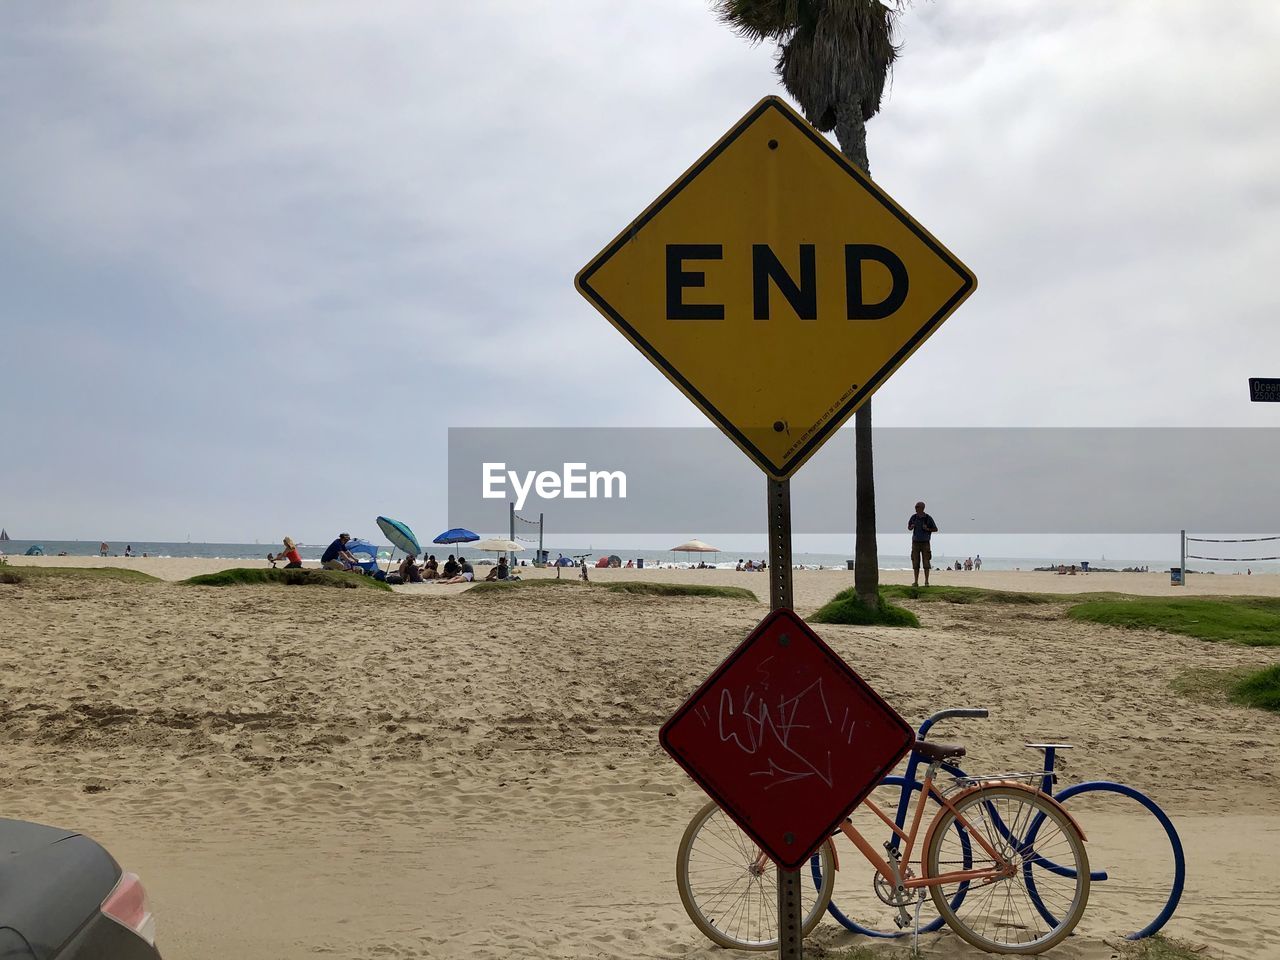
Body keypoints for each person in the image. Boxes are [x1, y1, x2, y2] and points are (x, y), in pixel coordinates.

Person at [907, 501, 938, 587]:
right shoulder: (913, 517)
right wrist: (911, 527)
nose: (915, 508)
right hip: (915, 542)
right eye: (915, 507)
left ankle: (926, 582)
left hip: (925, 543)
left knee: (926, 563)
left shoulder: (928, 518)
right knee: (915, 562)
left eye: (917, 507)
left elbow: (935, 529)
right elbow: (909, 527)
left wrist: (927, 529)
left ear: (922, 508)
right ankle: (916, 581)